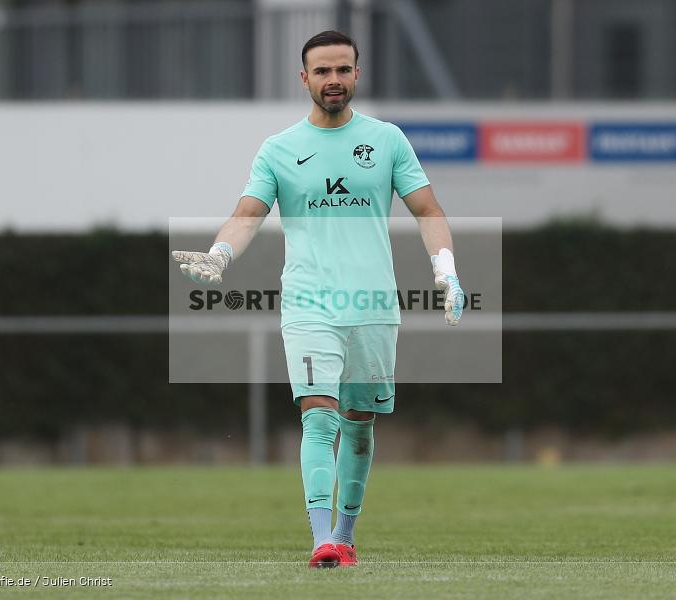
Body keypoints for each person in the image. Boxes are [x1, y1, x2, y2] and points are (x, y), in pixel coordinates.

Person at [172, 30, 464, 568]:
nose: (334, 80)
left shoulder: (388, 141)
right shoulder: (279, 149)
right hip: (309, 306)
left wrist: (445, 269)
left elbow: (428, 210)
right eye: (323, 71)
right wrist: (219, 255)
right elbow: (248, 214)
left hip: (373, 307)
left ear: (357, 74)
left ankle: (346, 535)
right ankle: (322, 538)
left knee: (358, 427)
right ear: (304, 78)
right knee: (319, 417)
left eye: (343, 70)